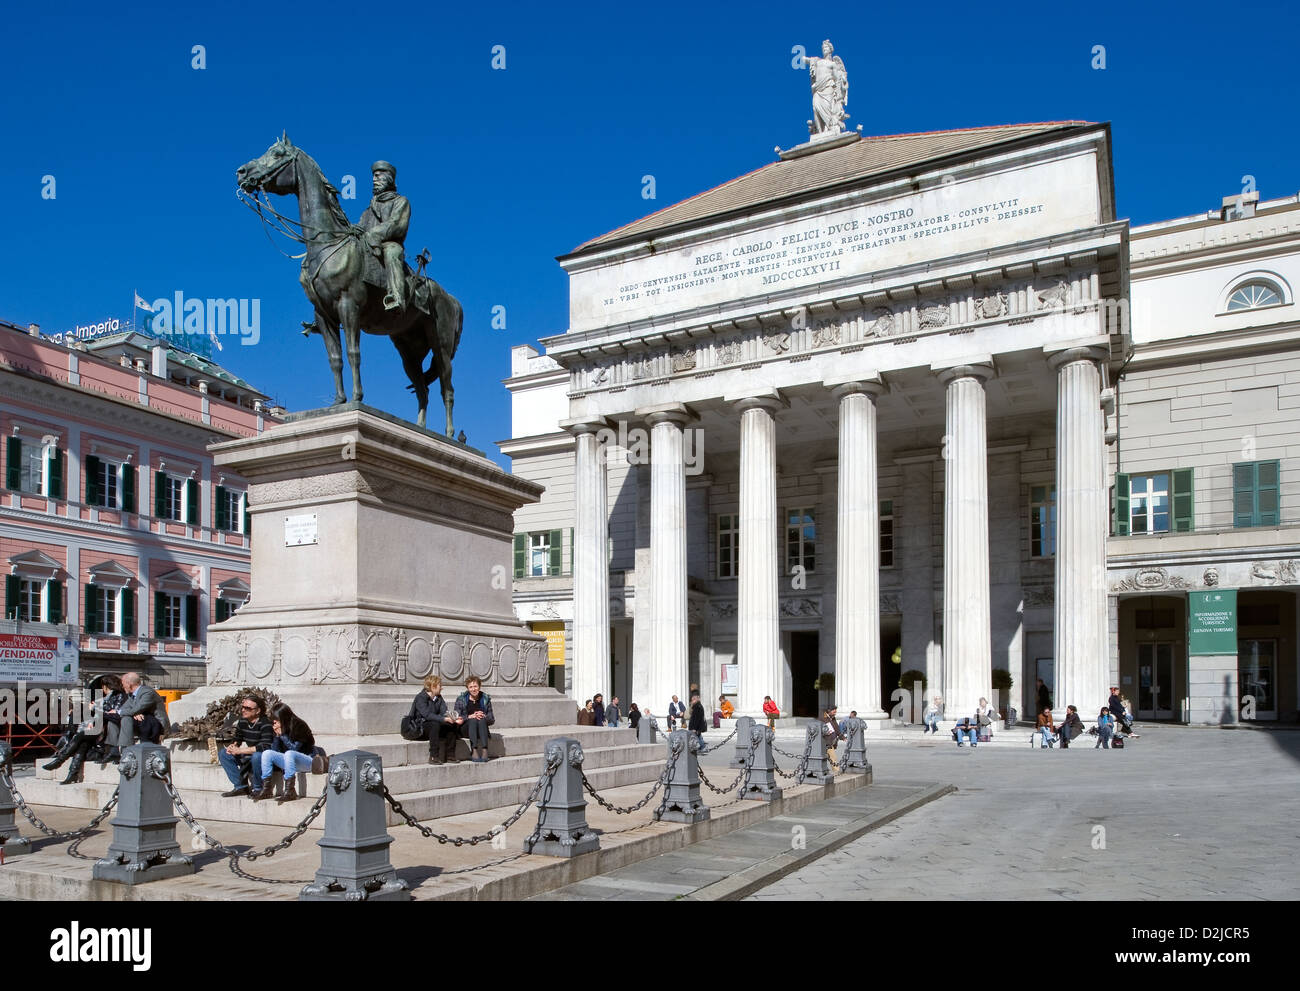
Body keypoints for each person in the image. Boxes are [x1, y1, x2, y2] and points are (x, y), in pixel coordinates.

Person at [43, 675, 126, 785]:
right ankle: (72, 774)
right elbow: (103, 713)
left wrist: (95, 709)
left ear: (106, 686)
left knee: (80, 736)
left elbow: (113, 712)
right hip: (99, 726)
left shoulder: (118, 696)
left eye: (102, 687)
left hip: (107, 728)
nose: (102, 690)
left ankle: (60, 760)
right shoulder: (107, 698)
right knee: (83, 744)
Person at [359, 160, 411, 311]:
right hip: (368, 243)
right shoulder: (369, 208)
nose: (373, 179)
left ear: (389, 177)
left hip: (389, 243)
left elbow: (397, 225)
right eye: (373, 177)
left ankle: (396, 297)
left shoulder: (400, 201)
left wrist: (374, 234)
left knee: (392, 253)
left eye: (377, 176)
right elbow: (362, 227)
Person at [253, 703, 320, 802]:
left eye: (276, 719)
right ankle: (267, 789)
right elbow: (275, 751)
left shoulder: (300, 725)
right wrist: (277, 736)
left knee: (289, 753)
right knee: (267, 753)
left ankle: (290, 790)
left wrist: (283, 735)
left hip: (308, 761)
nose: (274, 722)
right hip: (290, 764)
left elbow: (295, 750)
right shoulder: (278, 728)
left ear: (283, 717)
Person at [218, 695, 275, 797]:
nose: (243, 710)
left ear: (257, 711)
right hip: (249, 756)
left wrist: (240, 751)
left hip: (265, 758)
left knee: (257, 756)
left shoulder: (265, 723)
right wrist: (232, 746)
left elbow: (265, 747)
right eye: (243, 707)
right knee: (223, 754)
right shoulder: (243, 721)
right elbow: (237, 738)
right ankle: (241, 787)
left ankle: (258, 788)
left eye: (248, 708)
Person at [110, 671, 170, 748]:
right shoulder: (132, 695)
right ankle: (113, 750)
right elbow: (126, 709)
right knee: (113, 720)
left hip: (155, 725)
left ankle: (126, 749)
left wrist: (121, 712)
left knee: (126, 718)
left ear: (129, 684)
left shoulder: (147, 692)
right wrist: (134, 713)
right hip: (142, 722)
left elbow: (135, 710)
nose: (122, 686)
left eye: (123, 684)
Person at [802, 39, 849, 135]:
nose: (824, 49)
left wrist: (842, 85)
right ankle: (820, 131)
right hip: (818, 90)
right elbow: (806, 60)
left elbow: (837, 79)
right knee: (816, 108)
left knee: (827, 109)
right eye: (823, 48)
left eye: (826, 47)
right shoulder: (817, 61)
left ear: (830, 49)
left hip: (828, 88)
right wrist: (801, 57)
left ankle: (828, 128)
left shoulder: (833, 64)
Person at [412, 675, 460, 764]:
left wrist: (453, 718)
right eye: (440, 686)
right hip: (421, 727)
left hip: (435, 726)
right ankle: (433, 756)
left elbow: (444, 711)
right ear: (433, 686)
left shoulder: (438, 698)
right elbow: (427, 715)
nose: (442, 688)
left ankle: (450, 755)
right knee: (434, 724)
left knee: (451, 725)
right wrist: (444, 719)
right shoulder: (421, 698)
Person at [454, 675, 495, 763]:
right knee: (473, 720)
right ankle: (474, 750)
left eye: (475, 686)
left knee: (481, 719)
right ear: (468, 688)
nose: (473, 689)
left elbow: (492, 719)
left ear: (479, 687)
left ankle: (485, 750)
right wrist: (469, 716)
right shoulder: (461, 699)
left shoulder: (485, 699)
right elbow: (456, 717)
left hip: (481, 729)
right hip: (466, 729)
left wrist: (484, 716)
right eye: (471, 687)